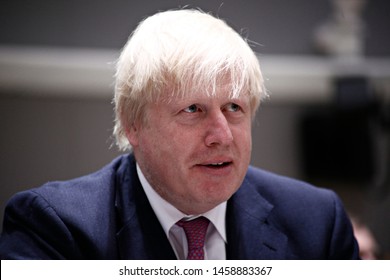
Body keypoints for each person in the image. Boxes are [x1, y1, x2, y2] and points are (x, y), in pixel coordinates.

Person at [0, 9, 359, 260]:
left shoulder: (317, 223)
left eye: (233, 108)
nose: (222, 135)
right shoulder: (55, 229)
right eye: (193, 110)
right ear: (132, 124)